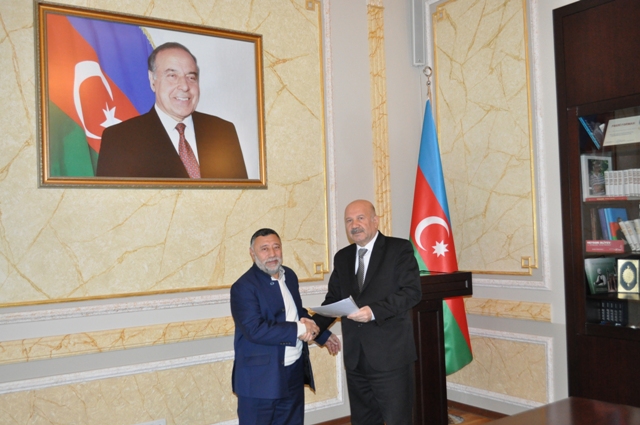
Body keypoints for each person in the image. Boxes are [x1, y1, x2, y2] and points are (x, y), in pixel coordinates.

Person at [313, 200, 422, 425]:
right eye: (349, 220)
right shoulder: (342, 257)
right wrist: (313, 326)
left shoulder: (398, 249)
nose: (354, 225)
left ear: (375, 221)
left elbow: (411, 292)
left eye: (360, 218)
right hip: (356, 359)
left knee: (397, 420)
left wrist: (373, 311)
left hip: (390, 358)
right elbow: (334, 300)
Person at [230, 228, 340, 425]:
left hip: (293, 372)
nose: (272, 254)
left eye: (276, 247)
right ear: (252, 253)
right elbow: (255, 330)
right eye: (264, 249)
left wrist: (322, 334)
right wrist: (300, 329)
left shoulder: (289, 275)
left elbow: (297, 312)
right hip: (260, 380)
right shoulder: (243, 287)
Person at [96, 42, 248, 179]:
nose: (185, 86)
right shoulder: (120, 139)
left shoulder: (223, 131)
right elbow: (113, 199)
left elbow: (242, 195)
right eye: (172, 76)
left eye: (191, 77)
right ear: (152, 80)